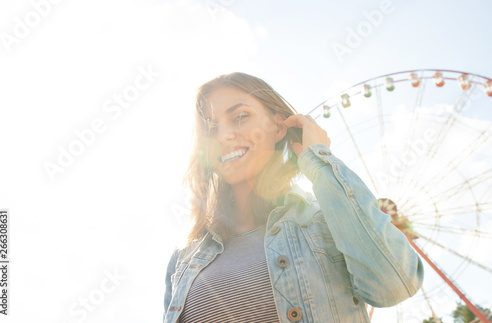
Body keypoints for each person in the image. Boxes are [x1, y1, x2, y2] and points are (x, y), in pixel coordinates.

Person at [163, 72, 424, 323]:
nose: (223, 135)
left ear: (278, 127)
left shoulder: (326, 223)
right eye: (210, 128)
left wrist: (319, 159)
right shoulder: (184, 258)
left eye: (240, 116)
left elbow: (393, 285)